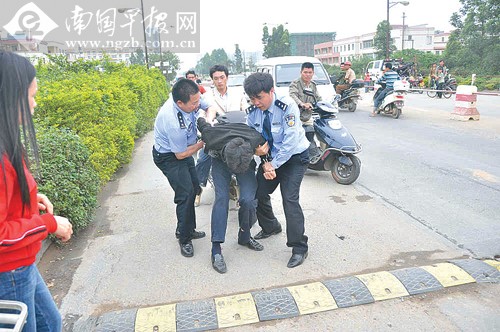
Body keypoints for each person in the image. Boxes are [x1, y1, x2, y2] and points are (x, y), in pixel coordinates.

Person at [0, 51, 73, 331]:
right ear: (10, 97)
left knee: (50, 322)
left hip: (22, 264)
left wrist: (30, 197)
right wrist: (49, 224)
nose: (35, 104)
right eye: (31, 96)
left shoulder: (6, 141)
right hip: (10, 272)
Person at [244, 72, 310, 268]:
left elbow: (289, 142)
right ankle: (271, 226)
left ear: (271, 91)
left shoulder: (287, 105)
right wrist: (265, 160)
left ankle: (299, 248)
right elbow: (255, 138)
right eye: (252, 98)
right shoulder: (252, 111)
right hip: (270, 159)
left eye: (260, 97)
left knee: (290, 199)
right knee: (257, 193)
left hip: (295, 158)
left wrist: (272, 165)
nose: (256, 102)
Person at [152, 78, 217, 257]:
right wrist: (204, 142)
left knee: (195, 187)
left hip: (185, 149)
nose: (197, 105)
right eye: (194, 103)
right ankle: (184, 237)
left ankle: (188, 228)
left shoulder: (191, 97)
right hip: (169, 157)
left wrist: (209, 121)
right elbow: (180, 155)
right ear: (180, 102)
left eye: (198, 101)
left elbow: (209, 106)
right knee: (185, 194)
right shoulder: (171, 119)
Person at [197, 117, 268, 273]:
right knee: (222, 198)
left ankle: (245, 236)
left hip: (244, 160)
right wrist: (205, 117)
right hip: (220, 162)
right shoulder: (211, 136)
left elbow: (266, 149)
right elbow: (201, 121)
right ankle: (216, 249)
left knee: (248, 199)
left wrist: (266, 161)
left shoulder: (255, 138)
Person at [194, 65, 248, 206]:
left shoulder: (238, 94)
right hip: (216, 137)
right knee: (203, 159)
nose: (219, 81)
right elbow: (201, 114)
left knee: (248, 157)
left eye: (222, 77)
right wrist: (205, 125)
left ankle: (244, 191)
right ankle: (198, 188)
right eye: (216, 78)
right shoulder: (206, 97)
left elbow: (246, 111)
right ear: (212, 80)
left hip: (236, 135)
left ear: (227, 78)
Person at [288, 62, 322, 156]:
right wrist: (302, 104)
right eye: (305, 72)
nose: (308, 75)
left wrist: (325, 105)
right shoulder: (295, 83)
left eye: (310, 72)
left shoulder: (313, 85)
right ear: (301, 72)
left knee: (320, 133)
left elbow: (318, 98)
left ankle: (322, 155)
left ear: (313, 73)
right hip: (295, 117)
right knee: (294, 138)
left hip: (307, 117)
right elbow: (292, 95)